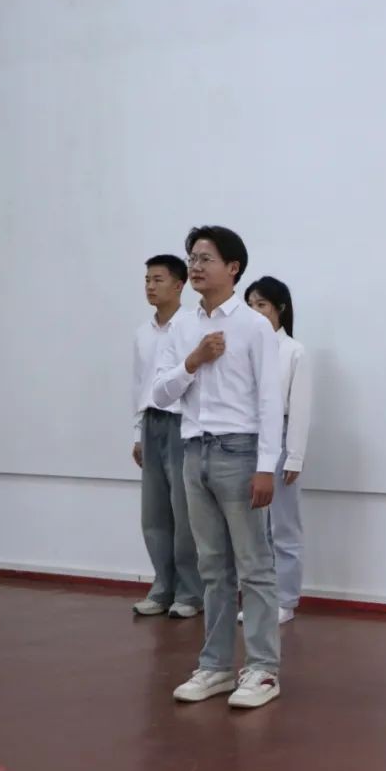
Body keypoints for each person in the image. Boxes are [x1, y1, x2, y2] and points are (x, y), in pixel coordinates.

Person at [153, 225, 284, 709]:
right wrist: (193, 360)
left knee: (255, 567)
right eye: (192, 257)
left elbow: (270, 400)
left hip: (240, 451)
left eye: (205, 258)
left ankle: (263, 669)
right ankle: (216, 666)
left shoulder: (253, 326)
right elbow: (160, 393)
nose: (195, 266)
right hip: (194, 451)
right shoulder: (182, 328)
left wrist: (266, 466)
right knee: (212, 568)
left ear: (233, 267)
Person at [131, 254, 203, 618]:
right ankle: (162, 587)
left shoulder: (192, 326)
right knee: (154, 513)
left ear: (179, 285)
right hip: (151, 422)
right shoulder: (142, 333)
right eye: (147, 280)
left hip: (181, 423)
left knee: (184, 513)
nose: (150, 286)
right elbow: (139, 384)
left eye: (158, 279)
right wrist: (137, 432)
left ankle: (190, 592)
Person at [245, 276, 312, 624]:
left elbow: (300, 408)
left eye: (262, 305)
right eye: (250, 305)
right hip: (247, 437)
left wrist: (295, 456)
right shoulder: (244, 347)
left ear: (280, 309)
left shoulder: (293, 351)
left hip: (282, 437)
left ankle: (285, 599)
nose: (255, 312)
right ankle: (259, 597)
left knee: (283, 526)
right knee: (253, 528)